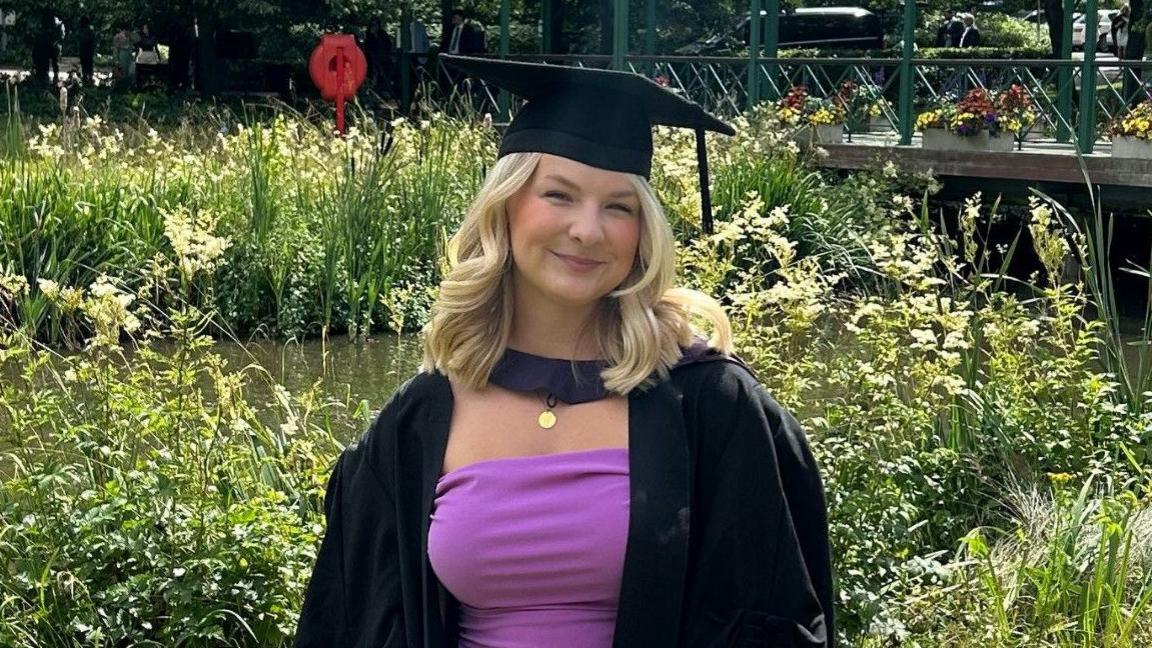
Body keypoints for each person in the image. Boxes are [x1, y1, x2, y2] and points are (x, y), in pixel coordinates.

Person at [294, 56, 836, 648]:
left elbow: (776, 617)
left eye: (618, 206)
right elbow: (354, 618)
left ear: (643, 232)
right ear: (506, 206)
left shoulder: (709, 404)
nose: (587, 229)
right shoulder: (424, 416)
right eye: (559, 194)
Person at [363, 18, 393, 94]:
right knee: (373, 74)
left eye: (376, 25)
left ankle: (384, 90)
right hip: (371, 59)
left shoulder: (382, 34)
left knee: (385, 73)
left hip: (383, 59)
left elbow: (388, 45)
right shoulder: (368, 35)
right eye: (373, 25)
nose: (374, 27)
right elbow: (368, 48)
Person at [76, 16, 96, 86]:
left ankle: (87, 78)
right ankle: (88, 78)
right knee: (88, 64)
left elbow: (80, 39)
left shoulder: (84, 30)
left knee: (85, 64)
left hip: (85, 49)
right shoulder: (89, 30)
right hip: (87, 50)